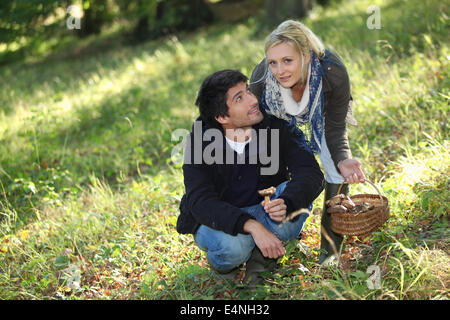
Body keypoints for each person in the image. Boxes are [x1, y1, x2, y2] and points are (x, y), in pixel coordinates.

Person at [176, 69, 324, 284]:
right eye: (239, 98)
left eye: (247, 91)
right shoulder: (200, 140)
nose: (253, 100)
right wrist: (252, 226)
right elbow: (200, 201)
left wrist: (287, 201)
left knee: (292, 210)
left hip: (266, 208)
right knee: (233, 249)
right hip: (224, 217)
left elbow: (310, 173)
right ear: (222, 117)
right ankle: (226, 268)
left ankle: (263, 257)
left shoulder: (275, 124)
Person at [249, 20, 366, 265]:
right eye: (273, 62)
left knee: (336, 168)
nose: (279, 70)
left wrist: (343, 159)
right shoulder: (262, 79)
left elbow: (334, 127)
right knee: (271, 165)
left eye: (287, 61)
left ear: (306, 55)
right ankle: (273, 240)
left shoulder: (331, 72)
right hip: (276, 116)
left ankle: (330, 251)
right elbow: (255, 129)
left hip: (319, 113)